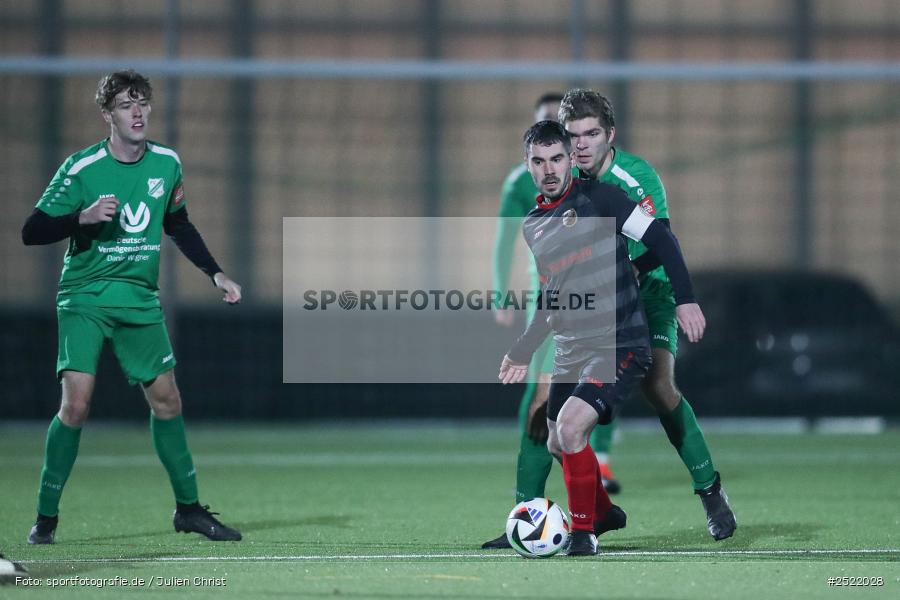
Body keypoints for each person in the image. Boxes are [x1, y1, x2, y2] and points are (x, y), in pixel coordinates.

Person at [21, 70, 242, 544]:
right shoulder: (81, 168)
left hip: (139, 299)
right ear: (108, 116)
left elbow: (178, 224)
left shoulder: (166, 163)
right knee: (76, 406)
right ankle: (46, 515)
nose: (137, 112)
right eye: (125, 105)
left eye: (142, 102)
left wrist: (216, 273)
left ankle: (188, 509)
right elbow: (31, 230)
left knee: (168, 400)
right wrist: (80, 217)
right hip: (85, 297)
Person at [499, 120, 707, 555]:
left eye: (557, 158)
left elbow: (661, 240)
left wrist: (685, 298)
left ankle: (583, 534)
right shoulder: (535, 225)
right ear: (528, 166)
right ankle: (605, 512)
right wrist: (522, 348)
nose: (549, 169)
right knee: (556, 439)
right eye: (539, 161)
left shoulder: (602, 199)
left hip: (619, 344)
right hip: (573, 349)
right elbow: (552, 299)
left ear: (570, 160)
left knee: (572, 429)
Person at [557, 88, 736, 541]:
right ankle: (592, 510)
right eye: (572, 135)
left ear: (609, 135)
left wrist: (678, 293)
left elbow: (663, 239)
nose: (580, 144)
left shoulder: (635, 176)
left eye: (591, 133)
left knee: (658, 384)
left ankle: (710, 489)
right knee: (557, 412)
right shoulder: (562, 184)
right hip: (597, 306)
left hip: (648, 295)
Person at [482, 94, 621, 551]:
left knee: (575, 404)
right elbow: (506, 237)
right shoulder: (521, 182)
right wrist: (503, 294)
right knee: (540, 406)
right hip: (546, 307)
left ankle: (594, 488)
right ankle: (529, 509)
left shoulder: (590, 186)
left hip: (592, 314)